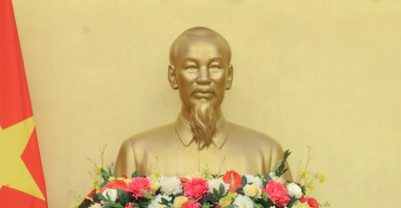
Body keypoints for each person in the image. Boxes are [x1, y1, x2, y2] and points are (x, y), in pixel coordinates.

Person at [115, 26, 289, 178]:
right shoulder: (137, 153)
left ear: (229, 77)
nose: (204, 79)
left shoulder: (267, 154)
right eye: (191, 67)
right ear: (173, 76)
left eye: (215, 67)